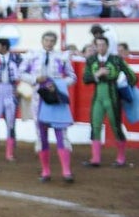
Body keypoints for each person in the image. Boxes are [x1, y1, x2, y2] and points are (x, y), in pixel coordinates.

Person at [20, 31, 75, 183]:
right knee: (41, 135)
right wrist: (35, 79)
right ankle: (45, 171)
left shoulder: (62, 57)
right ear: (42, 41)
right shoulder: (32, 55)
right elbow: (20, 73)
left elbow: (72, 77)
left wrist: (58, 84)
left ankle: (66, 171)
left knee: (61, 135)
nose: (49, 43)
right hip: (39, 99)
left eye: (52, 41)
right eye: (47, 40)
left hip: (56, 98)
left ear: (55, 42)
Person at [82, 35, 136, 168]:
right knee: (95, 126)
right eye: (98, 45)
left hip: (113, 97)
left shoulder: (116, 60)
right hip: (98, 98)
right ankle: (95, 159)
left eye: (103, 45)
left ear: (107, 46)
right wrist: (97, 75)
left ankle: (121, 159)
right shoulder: (91, 60)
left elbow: (132, 77)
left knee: (116, 126)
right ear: (95, 46)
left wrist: (122, 84)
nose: (100, 47)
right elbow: (85, 78)